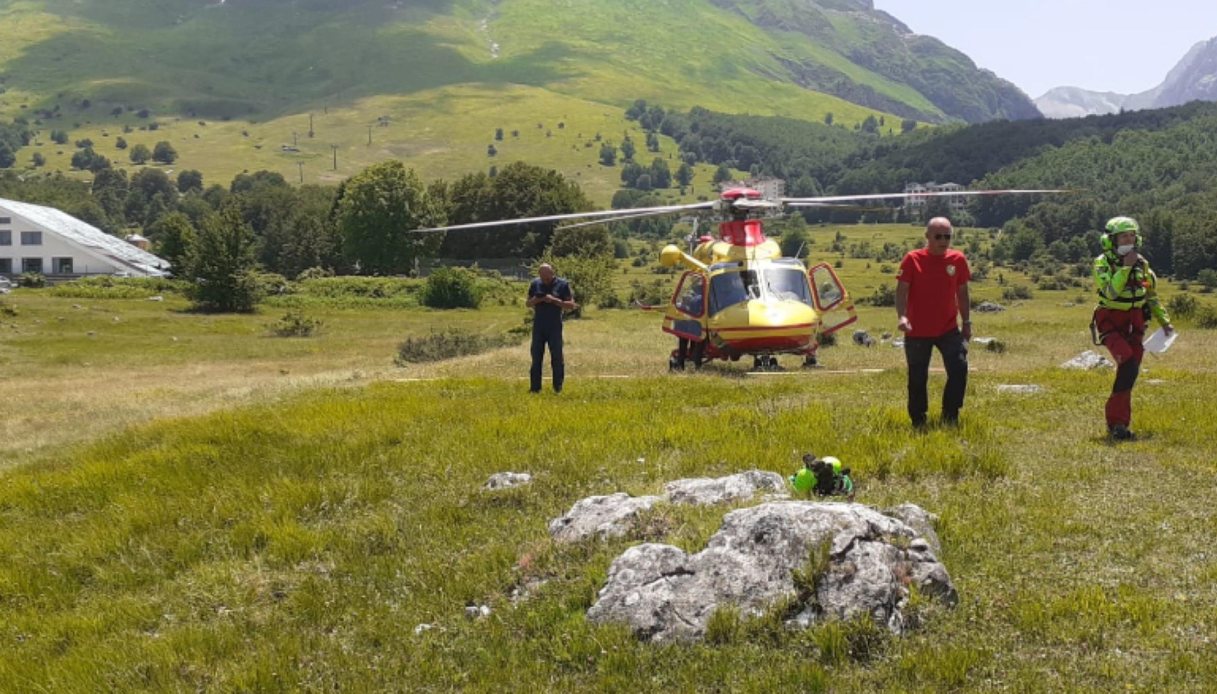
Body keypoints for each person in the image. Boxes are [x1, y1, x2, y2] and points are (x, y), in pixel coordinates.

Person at [1092, 216, 1173, 441]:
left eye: (1131, 235)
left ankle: (1119, 425)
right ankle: (1116, 422)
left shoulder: (1142, 264)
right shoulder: (1102, 263)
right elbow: (1111, 292)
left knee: (1130, 371)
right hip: (1111, 320)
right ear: (1111, 240)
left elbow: (1151, 295)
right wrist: (1125, 269)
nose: (1128, 239)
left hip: (1136, 321)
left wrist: (1164, 321)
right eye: (1123, 236)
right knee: (1127, 365)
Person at [895, 217, 971, 428]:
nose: (943, 240)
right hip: (917, 331)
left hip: (948, 329)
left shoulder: (958, 259)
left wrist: (967, 322)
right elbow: (901, 291)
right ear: (927, 236)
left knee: (959, 369)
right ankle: (919, 421)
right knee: (917, 378)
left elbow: (963, 293)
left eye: (947, 236)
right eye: (938, 236)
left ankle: (950, 415)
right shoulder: (912, 259)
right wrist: (902, 316)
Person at [526, 263, 575, 393]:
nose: (544, 280)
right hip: (539, 325)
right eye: (542, 277)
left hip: (554, 325)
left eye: (546, 277)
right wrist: (537, 300)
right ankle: (535, 388)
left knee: (557, 357)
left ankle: (558, 387)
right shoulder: (535, 283)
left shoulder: (563, 284)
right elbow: (528, 303)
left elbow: (571, 305)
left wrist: (554, 300)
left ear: (552, 274)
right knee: (536, 357)